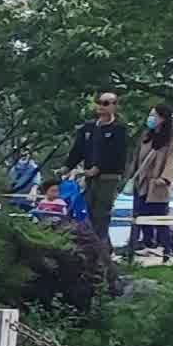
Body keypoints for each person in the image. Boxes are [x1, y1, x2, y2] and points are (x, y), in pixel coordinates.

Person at [64, 90, 134, 290]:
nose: (102, 106)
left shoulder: (119, 130)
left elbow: (119, 156)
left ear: (114, 106)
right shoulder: (88, 128)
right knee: (86, 215)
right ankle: (99, 250)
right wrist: (67, 166)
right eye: (100, 102)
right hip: (88, 178)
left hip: (108, 178)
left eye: (107, 103)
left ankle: (101, 257)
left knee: (101, 215)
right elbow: (78, 150)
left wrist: (100, 168)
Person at [133, 100, 173, 260]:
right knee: (141, 216)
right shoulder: (146, 136)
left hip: (158, 184)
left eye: (154, 115)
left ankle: (165, 248)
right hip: (142, 183)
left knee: (160, 218)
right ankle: (148, 244)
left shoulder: (172, 140)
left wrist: (165, 178)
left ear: (163, 118)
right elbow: (137, 158)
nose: (151, 118)